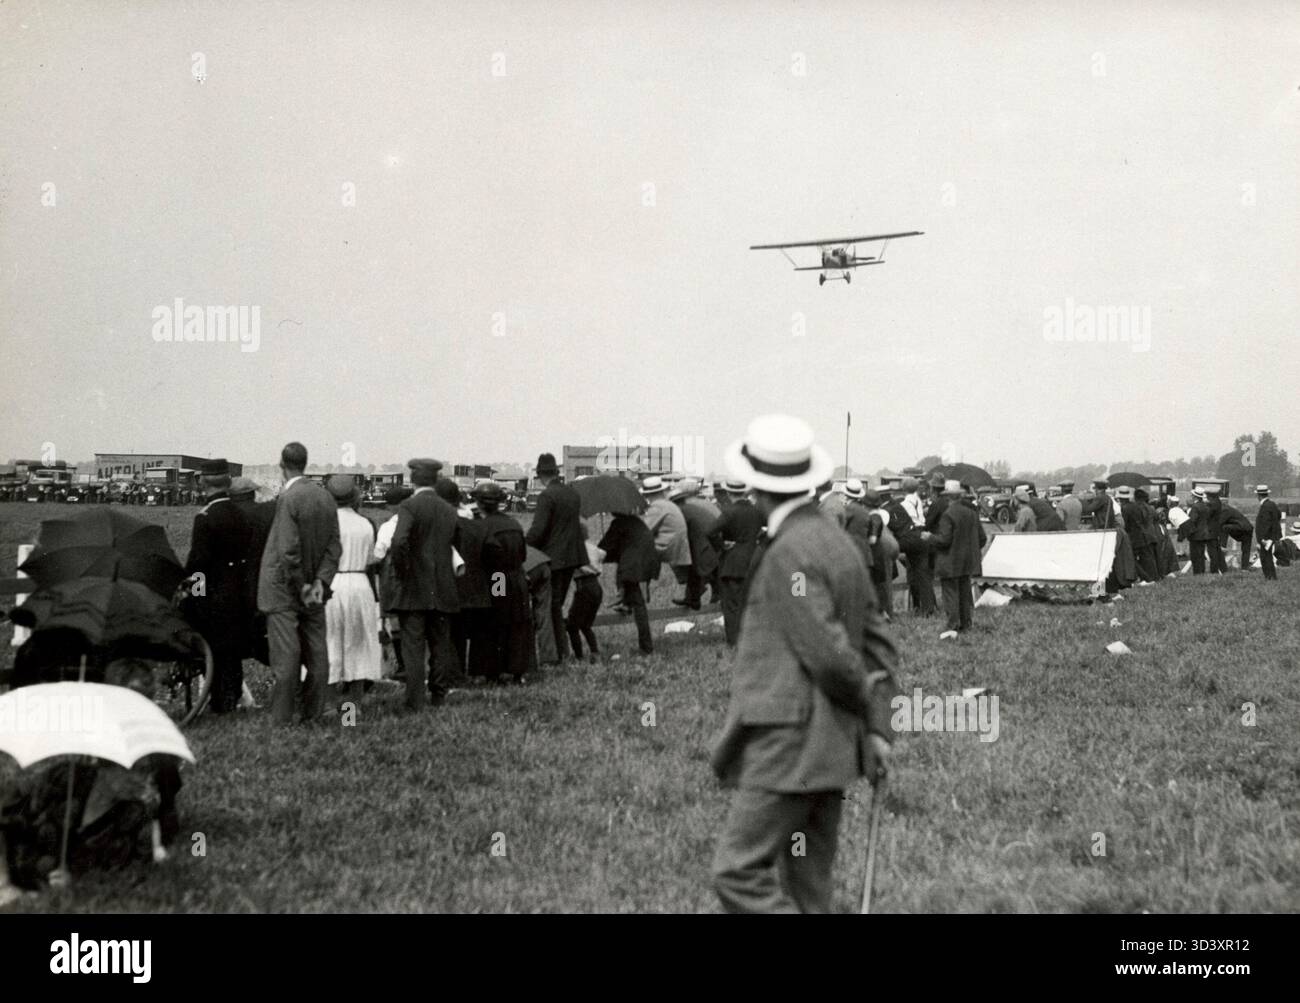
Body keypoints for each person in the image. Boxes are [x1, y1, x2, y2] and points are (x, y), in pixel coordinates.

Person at [710, 414, 899, 914]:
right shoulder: (837, 543)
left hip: (788, 744)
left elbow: (829, 654)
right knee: (809, 887)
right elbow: (878, 645)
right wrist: (877, 727)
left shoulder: (790, 553)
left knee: (737, 873)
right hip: (834, 746)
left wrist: (864, 704)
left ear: (755, 486)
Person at [258, 443, 342, 725]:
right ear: (305, 463)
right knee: (318, 654)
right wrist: (320, 581)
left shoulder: (288, 498)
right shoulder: (326, 497)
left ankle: (283, 718)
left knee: (287, 657)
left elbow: (288, 550)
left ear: (282, 464)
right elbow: (334, 546)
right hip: (315, 589)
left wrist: (302, 584)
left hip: (284, 589)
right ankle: (313, 713)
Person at [389, 458, 462, 710]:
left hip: (414, 587)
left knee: (413, 646)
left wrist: (403, 570)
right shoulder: (449, 510)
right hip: (443, 586)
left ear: (413, 480)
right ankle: (439, 695)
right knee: (441, 644)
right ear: (435, 480)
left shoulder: (409, 506)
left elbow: (399, 542)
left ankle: (415, 699)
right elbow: (457, 545)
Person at [182, 458, 251, 714]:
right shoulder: (241, 514)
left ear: (203, 482)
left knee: (213, 646)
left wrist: (195, 595)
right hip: (238, 588)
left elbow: (199, 563)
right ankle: (232, 695)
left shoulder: (206, 517)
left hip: (213, 592)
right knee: (232, 647)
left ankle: (220, 698)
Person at [323, 475, 382, 698]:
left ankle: (329, 706)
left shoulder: (324, 523)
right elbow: (371, 559)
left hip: (331, 583)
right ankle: (352, 708)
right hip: (359, 583)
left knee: (329, 642)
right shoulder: (365, 524)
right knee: (358, 646)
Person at [524, 453, 586, 665]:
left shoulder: (547, 496)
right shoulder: (572, 493)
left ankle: (559, 654)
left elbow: (538, 530)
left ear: (540, 474)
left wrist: (522, 545)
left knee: (551, 607)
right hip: (572, 556)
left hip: (553, 557)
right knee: (556, 606)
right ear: (556, 472)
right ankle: (563, 653)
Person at [474, 482, 533, 683]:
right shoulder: (514, 524)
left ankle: (494, 671)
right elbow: (523, 555)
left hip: (497, 578)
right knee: (518, 624)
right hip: (517, 578)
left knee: (495, 620)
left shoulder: (483, 526)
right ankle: (518, 671)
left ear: (480, 503)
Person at [437, 480, 490, 679]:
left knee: (452, 636)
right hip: (479, 592)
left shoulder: (441, 528)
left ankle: (455, 674)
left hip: (452, 591)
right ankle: (478, 673)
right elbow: (496, 563)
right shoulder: (478, 527)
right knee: (479, 636)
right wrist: (498, 592)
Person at [923, 480, 986, 638]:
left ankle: (952, 625)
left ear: (947, 497)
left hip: (950, 561)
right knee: (964, 593)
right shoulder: (971, 513)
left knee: (950, 593)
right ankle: (966, 623)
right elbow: (982, 538)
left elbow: (944, 540)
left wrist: (930, 537)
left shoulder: (948, 515)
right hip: (967, 561)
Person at [708, 479, 763, 646]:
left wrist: (721, 544)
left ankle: (734, 641)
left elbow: (709, 531)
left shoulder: (729, 512)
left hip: (733, 560)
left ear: (728, 492)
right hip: (754, 559)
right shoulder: (757, 511)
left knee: (731, 604)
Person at [596, 512, 657, 656]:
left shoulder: (618, 523)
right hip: (649, 560)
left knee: (638, 603)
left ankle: (646, 647)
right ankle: (626, 603)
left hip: (633, 564)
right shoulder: (636, 521)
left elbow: (604, 549)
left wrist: (596, 553)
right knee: (636, 598)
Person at [373, 485, 414, 678]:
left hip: (393, 576)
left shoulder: (388, 527)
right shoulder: (418, 523)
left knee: (395, 620)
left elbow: (379, 554)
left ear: (392, 506)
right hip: (416, 575)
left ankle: (403, 665)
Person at [671, 479, 720, 610]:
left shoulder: (683, 510)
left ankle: (694, 595)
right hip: (714, 540)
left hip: (704, 541)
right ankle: (711, 594)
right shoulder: (706, 503)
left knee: (694, 566)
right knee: (708, 569)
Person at [640, 475, 690, 602]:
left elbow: (645, 530)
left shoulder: (657, 507)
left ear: (646, 495)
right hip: (679, 544)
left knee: (635, 554)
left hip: (668, 545)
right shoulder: (668, 504)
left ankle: (640, 591)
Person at [895, 477, 935, 617]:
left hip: (911, 535)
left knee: (913, 572)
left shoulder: (904, 504)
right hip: (922, 533)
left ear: (904, 489)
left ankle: (918, 605)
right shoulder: (918, 500)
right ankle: (928, 607)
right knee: (923, 573)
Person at [566, 519, 604, 662]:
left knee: (572, 625)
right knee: (586, 625)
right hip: (596, 586)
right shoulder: (593, 548)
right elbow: (602, 554)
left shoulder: (575, 549)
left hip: (583, 585)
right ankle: (595, 652)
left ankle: (579, 657)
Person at [1118, 486, 1158, 583]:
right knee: (1147, 558)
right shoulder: (1136, 506)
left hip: (1133, 537)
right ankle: (1153, 577)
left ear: (1120, 498)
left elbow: (1125, 524)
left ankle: (1145, 578)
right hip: (1143, 534)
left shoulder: (1125, 508)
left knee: (1131, 559)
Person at [1179, 487, 1213, 575]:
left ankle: (1197, 572)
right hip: (1205, 534)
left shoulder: (1195, 507)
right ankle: (1202, 570)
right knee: (1201, 554)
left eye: (1192, 495)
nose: (1191, 496)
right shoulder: (1206, 506)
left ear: (1195, 497)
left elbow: (1192, 520)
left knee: (1195, 555)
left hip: (1196, 534)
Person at [1217, 501, 1254, 570]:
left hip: (1242, 528)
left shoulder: (1224, 510)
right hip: (1248, 528)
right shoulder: (1225, 508)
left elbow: (1219, 523)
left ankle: (1223, 546)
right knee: (1246, 550)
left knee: (1224, 527)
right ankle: (1245, 568)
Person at [1254, 485, 1281, 580]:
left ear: (1258, 495)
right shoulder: (1272, 504)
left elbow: (1265, 523)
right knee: (1268, 556)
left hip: (1266, 537)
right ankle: (1272, 576)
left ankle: (1269, 576)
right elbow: (1279, 515)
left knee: (1265, 557)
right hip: (1272, 535)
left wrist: (1263, 538)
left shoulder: (1265, 506)